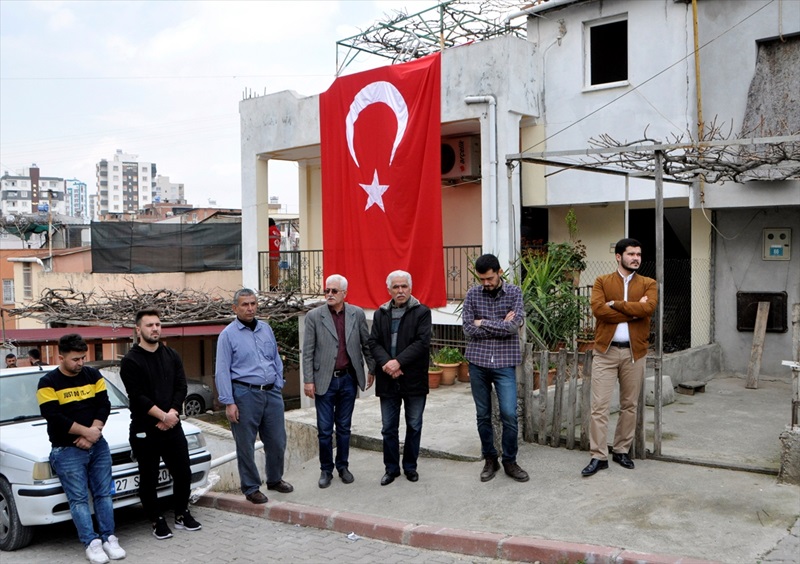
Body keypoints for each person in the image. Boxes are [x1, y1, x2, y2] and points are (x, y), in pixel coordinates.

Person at [37, 334, 126, 564]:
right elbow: (53, 416)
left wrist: (93, 432)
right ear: (61, 357)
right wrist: (86, 433)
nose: (80, 363)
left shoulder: (93, 375)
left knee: (104, 493)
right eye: (75, 359)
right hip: (66, 450)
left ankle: (109, 537)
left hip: (97, 445)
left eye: (83, 358)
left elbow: (103, 404)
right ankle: (91, 543)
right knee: (77, 499)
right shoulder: (48, 382)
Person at [120, 309, 201, 540]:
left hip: (172, 426)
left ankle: (182, 513)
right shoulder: (130, 361)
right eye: (149, 325)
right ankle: (156, 519)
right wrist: (162, 417)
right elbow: (137, 396)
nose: (155, 329)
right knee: (149, 478)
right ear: (138, 330)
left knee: (183, 472)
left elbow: (181, 386)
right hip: (145, 430)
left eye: (157, 324)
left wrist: (172, 413)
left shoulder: (171, 355)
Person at [582, 238, 657, 477]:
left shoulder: (649, 283)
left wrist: (617, 305)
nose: (636, 258)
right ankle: (598, 456)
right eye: (631, 254)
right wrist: (633, 311)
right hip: (606, 351)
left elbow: (648, 309)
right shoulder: (602, 281)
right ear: (618, 256)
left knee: (629, 406)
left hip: (635, 352)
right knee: (599, 407)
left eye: (639, 254)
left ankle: (621, 450)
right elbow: (598, 310)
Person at [215, 288, 293, 503]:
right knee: (246, 444)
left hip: (271, 393)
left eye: (253, 304)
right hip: (244, 394)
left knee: (277, 440)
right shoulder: (227, 336)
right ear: (235, 308)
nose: (250, 308)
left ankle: (275, 479)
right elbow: (222, 370)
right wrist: (229, 402)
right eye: (245, 304)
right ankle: (250, 487)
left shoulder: (266, 329)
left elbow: (275, 358)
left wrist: (278, 383)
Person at [462, 253, 529, 483]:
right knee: (483, 415)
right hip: (478, 362)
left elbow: (513, 328)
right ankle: (490, 459)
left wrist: (484, 322)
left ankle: (510, 460)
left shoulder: (514, 293)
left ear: (499, 272)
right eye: (482, 279)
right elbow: (468, 329)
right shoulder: (472, 294)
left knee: (509, 413)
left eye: (489, 278)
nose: (486, 283)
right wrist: (499, 323)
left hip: (504, 363)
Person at [303, 274, 374, 488]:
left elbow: (366, 344)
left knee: (344, 427)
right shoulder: (314, 316)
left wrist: (372, 368)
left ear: (344, 293)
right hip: (324, 380)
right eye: (327, 291)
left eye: (334, 291)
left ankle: (343, 466)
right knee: (324, 430)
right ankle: (326, 470)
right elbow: (308, 351)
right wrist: (308, 380)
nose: (330, 294)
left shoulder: (357, 314)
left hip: (348, 380)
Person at [368, 270, 432, 486]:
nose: (400, 290)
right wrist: (387, 364)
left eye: (404, 286)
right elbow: (373, 342)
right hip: (388, 379)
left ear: (410, 288)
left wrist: (398, 362)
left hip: (413, 379)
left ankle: (410, 467)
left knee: (414, 425)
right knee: (388, 427)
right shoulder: (380, 313)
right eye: (395, 287)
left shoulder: (422, 312)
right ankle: (391, 469)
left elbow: (422, 343)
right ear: (389, 290)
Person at [268, 218, 281, 291]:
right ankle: (275, 286)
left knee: (271, 272)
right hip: (276, 254)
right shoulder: (277, 231)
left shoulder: (268, 230)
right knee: (275, 271)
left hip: (270, 254)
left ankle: (272, 287)